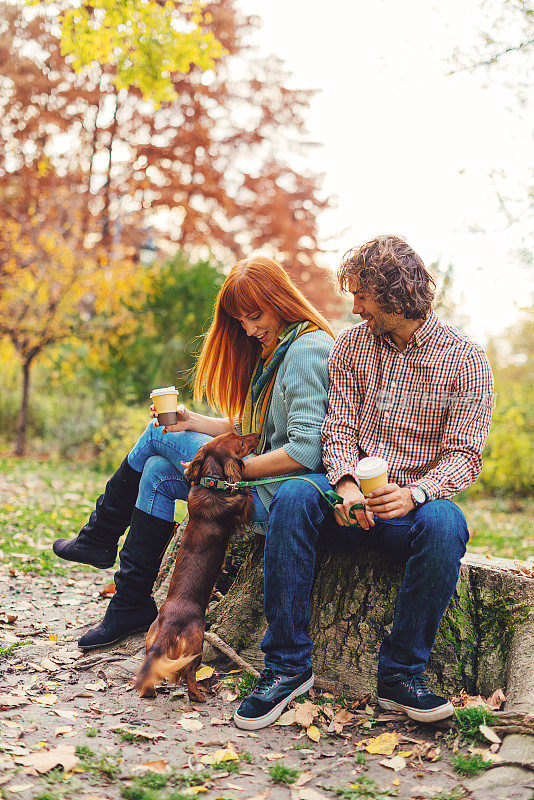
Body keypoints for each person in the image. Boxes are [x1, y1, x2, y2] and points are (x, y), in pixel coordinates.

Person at [234, 235, 494, 727]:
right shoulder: (352, 346)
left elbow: (465, 456)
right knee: (292, 497)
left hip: (408, 511)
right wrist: (347, 484)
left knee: (447, 523)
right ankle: (287, 668)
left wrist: (416, 493)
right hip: (344, 501)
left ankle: (400, 675)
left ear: (396, 295)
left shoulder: (466, 361)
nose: (354, 307)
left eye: (362, 295)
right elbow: (339, 429)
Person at [52, 256, 335, 705]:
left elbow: (306, 450)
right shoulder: (282, 347)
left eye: (254, 315)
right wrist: (194, 423)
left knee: (152, 436)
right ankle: (130, 603)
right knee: (160, 471)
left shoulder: (307, 350)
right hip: (255, 484)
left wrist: (227, 475)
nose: (247, 328)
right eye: (240, 320)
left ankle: (101, 536)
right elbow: (252, 426)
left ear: (280, 301)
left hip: (280, 497)